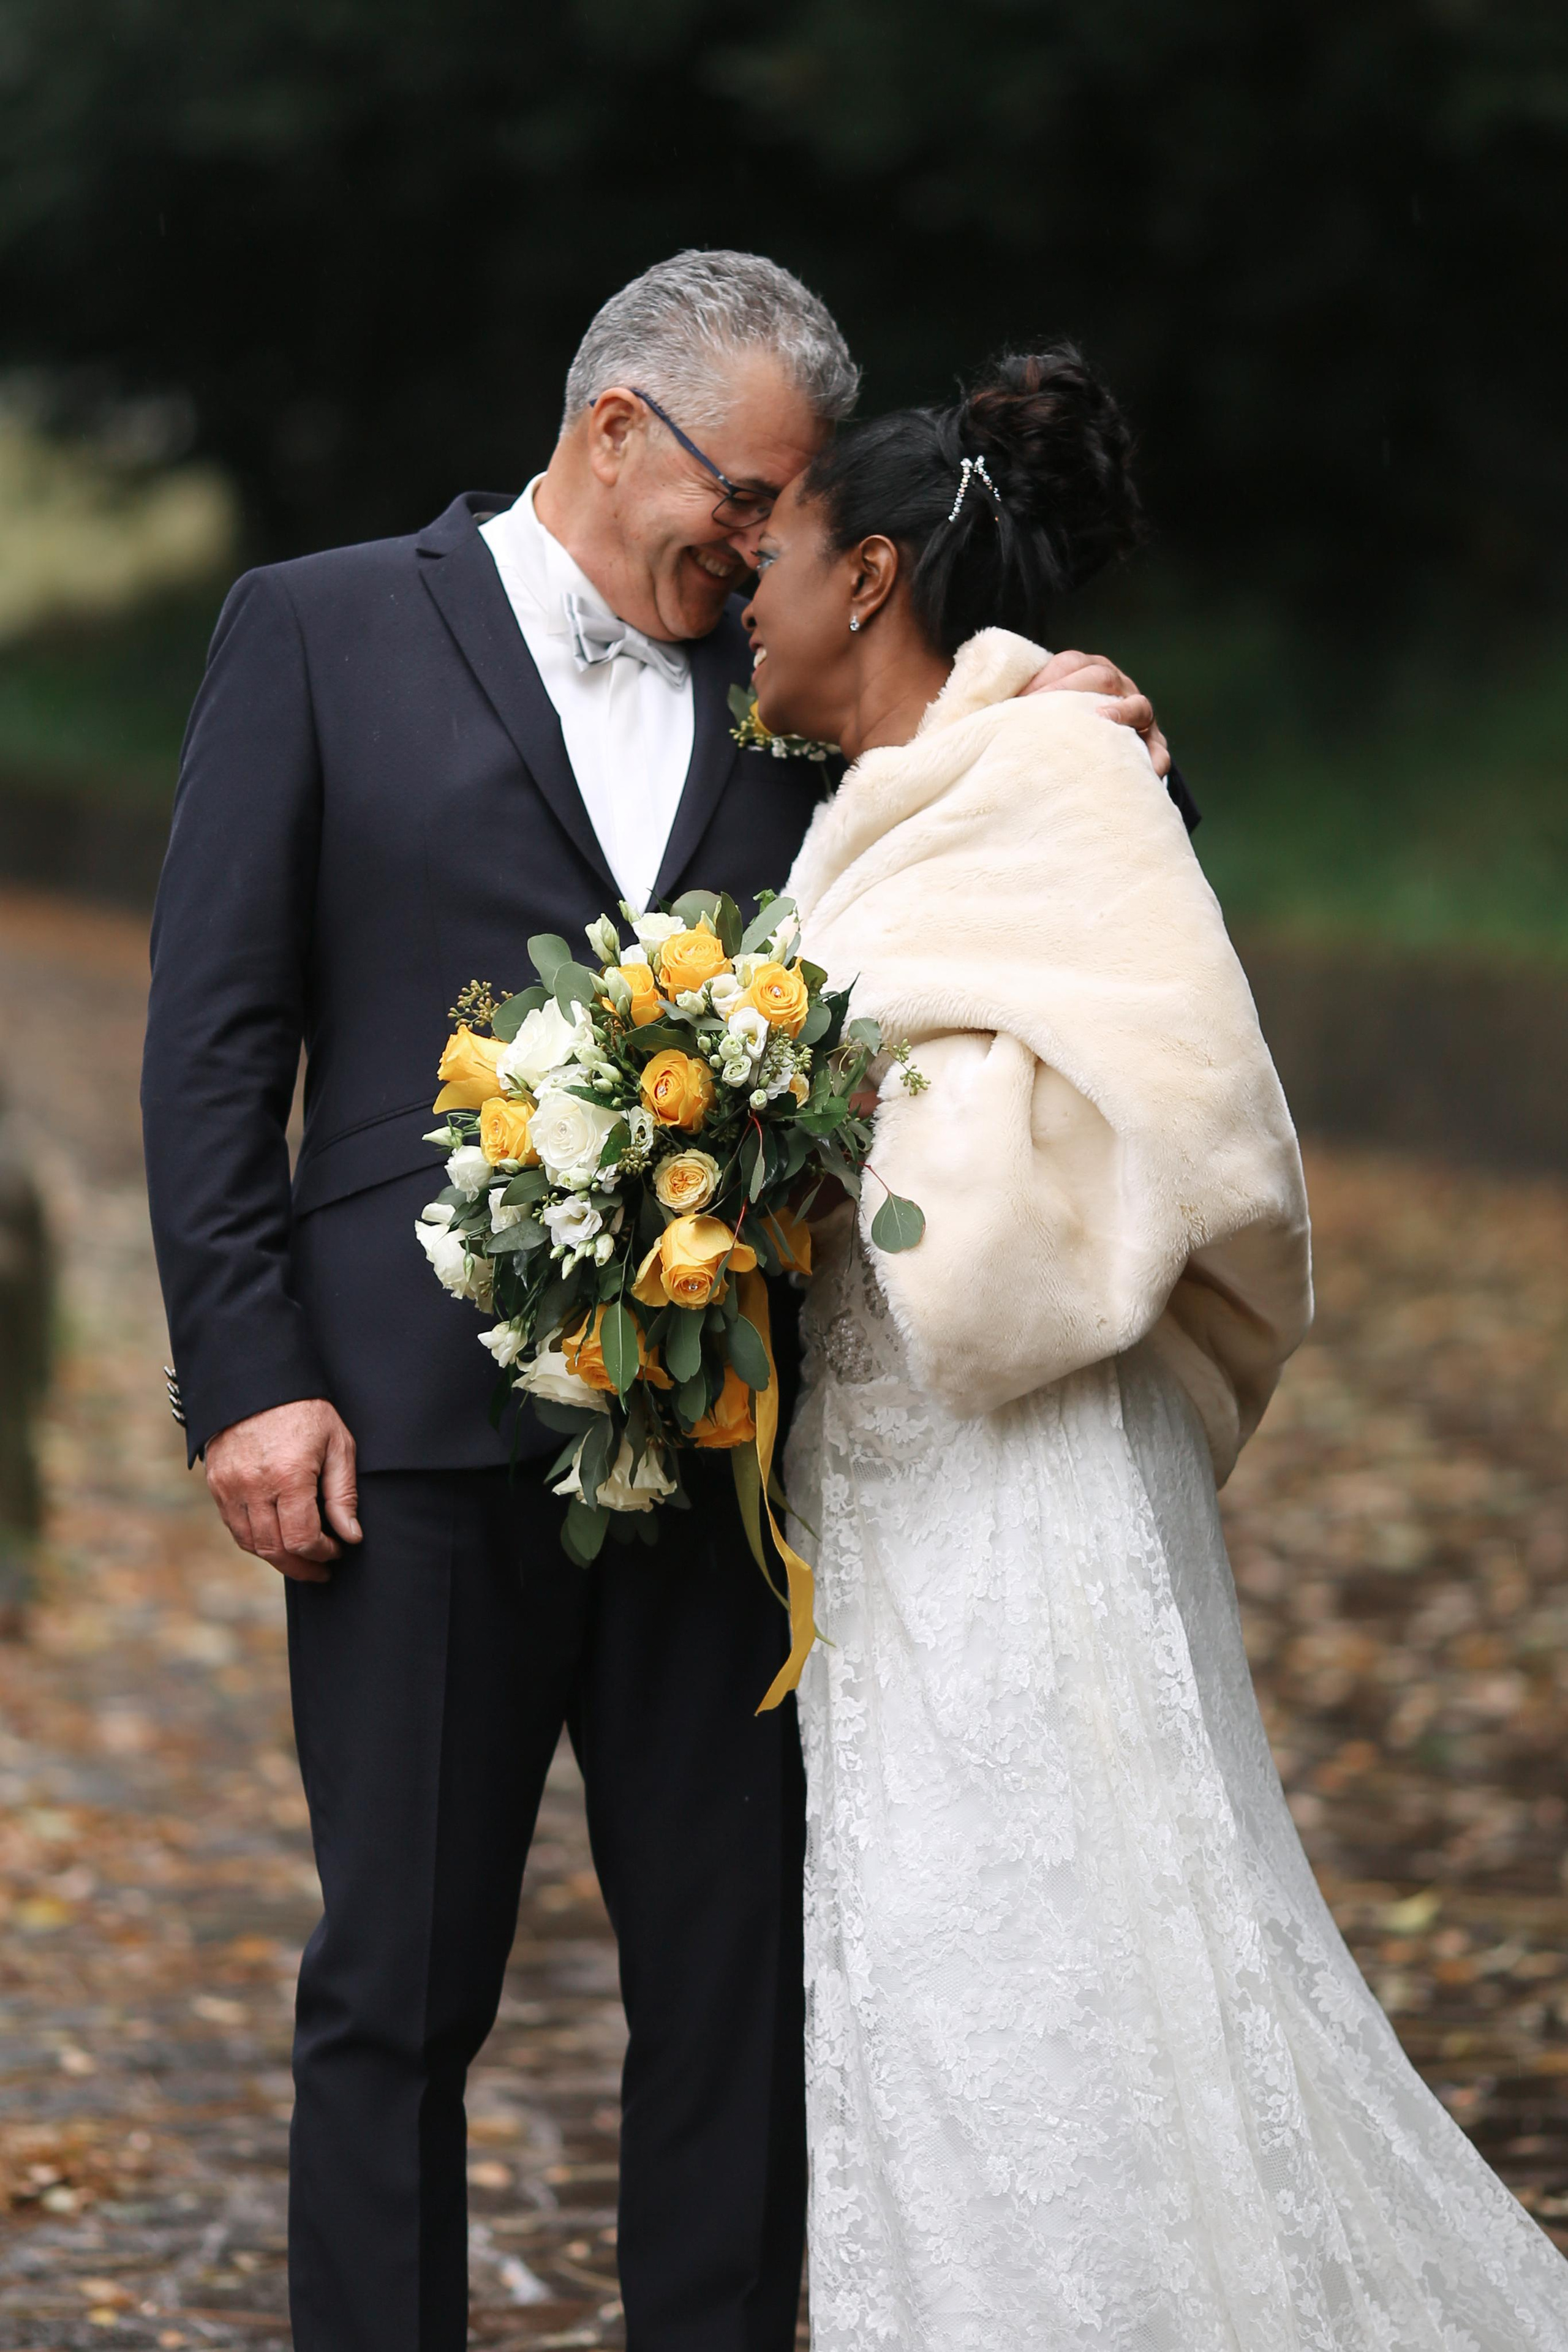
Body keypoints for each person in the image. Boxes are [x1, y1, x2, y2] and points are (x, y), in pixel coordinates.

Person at [138, 254, 1175, 2352]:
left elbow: (987, 855)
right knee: (397, 1986)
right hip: (406, 1436)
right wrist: (248, 1380)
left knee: (736, 1985)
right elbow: (214, 1046)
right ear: (619, 428)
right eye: (746, 493)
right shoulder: (320, 629)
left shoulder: (779, 680)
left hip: (731, 1452)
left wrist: (1080, 721)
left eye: (791, 521)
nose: (763, 542)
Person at [745, 349, 1568, 2349]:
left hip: (1022, 1467)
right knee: (924, 1962)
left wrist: (840, 1119)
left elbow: (1178, 1089)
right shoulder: (866, 809)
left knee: (1064, 1937)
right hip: (873, 1486)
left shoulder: (1058, 766)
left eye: (768, 556)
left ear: (865, 579)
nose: (736, 600)